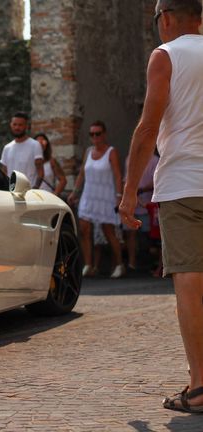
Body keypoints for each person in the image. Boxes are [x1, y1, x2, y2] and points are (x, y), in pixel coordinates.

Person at [119, 0, 203, 413]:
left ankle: (200, 387)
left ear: (166, 18)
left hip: (184, 184)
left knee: (191, 287)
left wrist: (129, 191)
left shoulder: (166, 55)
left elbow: (148, 126)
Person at [68, 121, 125, 279]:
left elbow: (118, 175)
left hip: (105, 197)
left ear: (104, 134)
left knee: (109, 231)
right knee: (84, 229)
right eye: (92, 134)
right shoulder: (88, 151)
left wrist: (119, 196)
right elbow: (81, 175)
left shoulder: (111, 152)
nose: (95, 137)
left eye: (98, 133)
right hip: (89, 195)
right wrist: (75, 192)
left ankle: (120, 264)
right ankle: (89, 265)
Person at [123, 150, 159, 271]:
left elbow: (157, 181)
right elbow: (126, 179)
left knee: (152, 237)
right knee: (130, 233)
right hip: (134, 204)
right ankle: (132, 264)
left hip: (149, 205)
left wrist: (142, 189)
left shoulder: (155, 160)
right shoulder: (130, 158)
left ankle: (156, 264)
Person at [0, 112, 44, 188]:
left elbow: (40, 171)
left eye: (20, 125)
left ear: (26, 126)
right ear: (11, 125)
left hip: (29, 192)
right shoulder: (7, 148)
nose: (17, 128)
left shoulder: (35, 145)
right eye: (15, 124)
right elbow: (4, 172)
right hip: (10, 192)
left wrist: (35, 188)